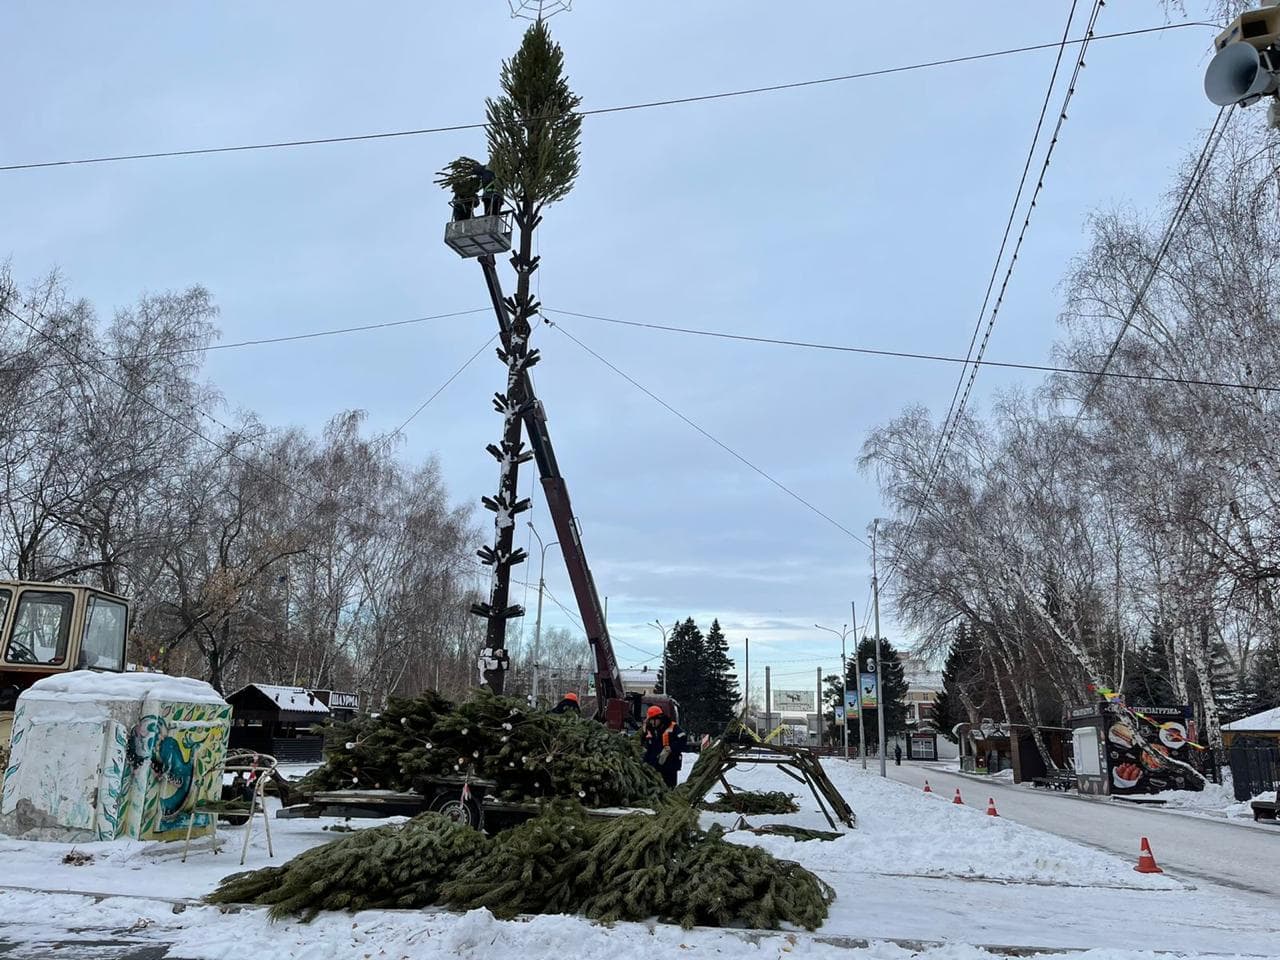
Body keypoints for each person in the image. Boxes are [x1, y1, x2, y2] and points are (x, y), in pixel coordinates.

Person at [641, 705, 687, 788]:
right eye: (650, 721)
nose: (651, 723)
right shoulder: (649, 729)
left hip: (670, 765)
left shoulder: (672, 727)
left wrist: (671, 748)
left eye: (652, 720)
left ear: (659, 718)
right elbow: (647, 746)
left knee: (669, 787)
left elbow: (682, 740)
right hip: (654, 766)